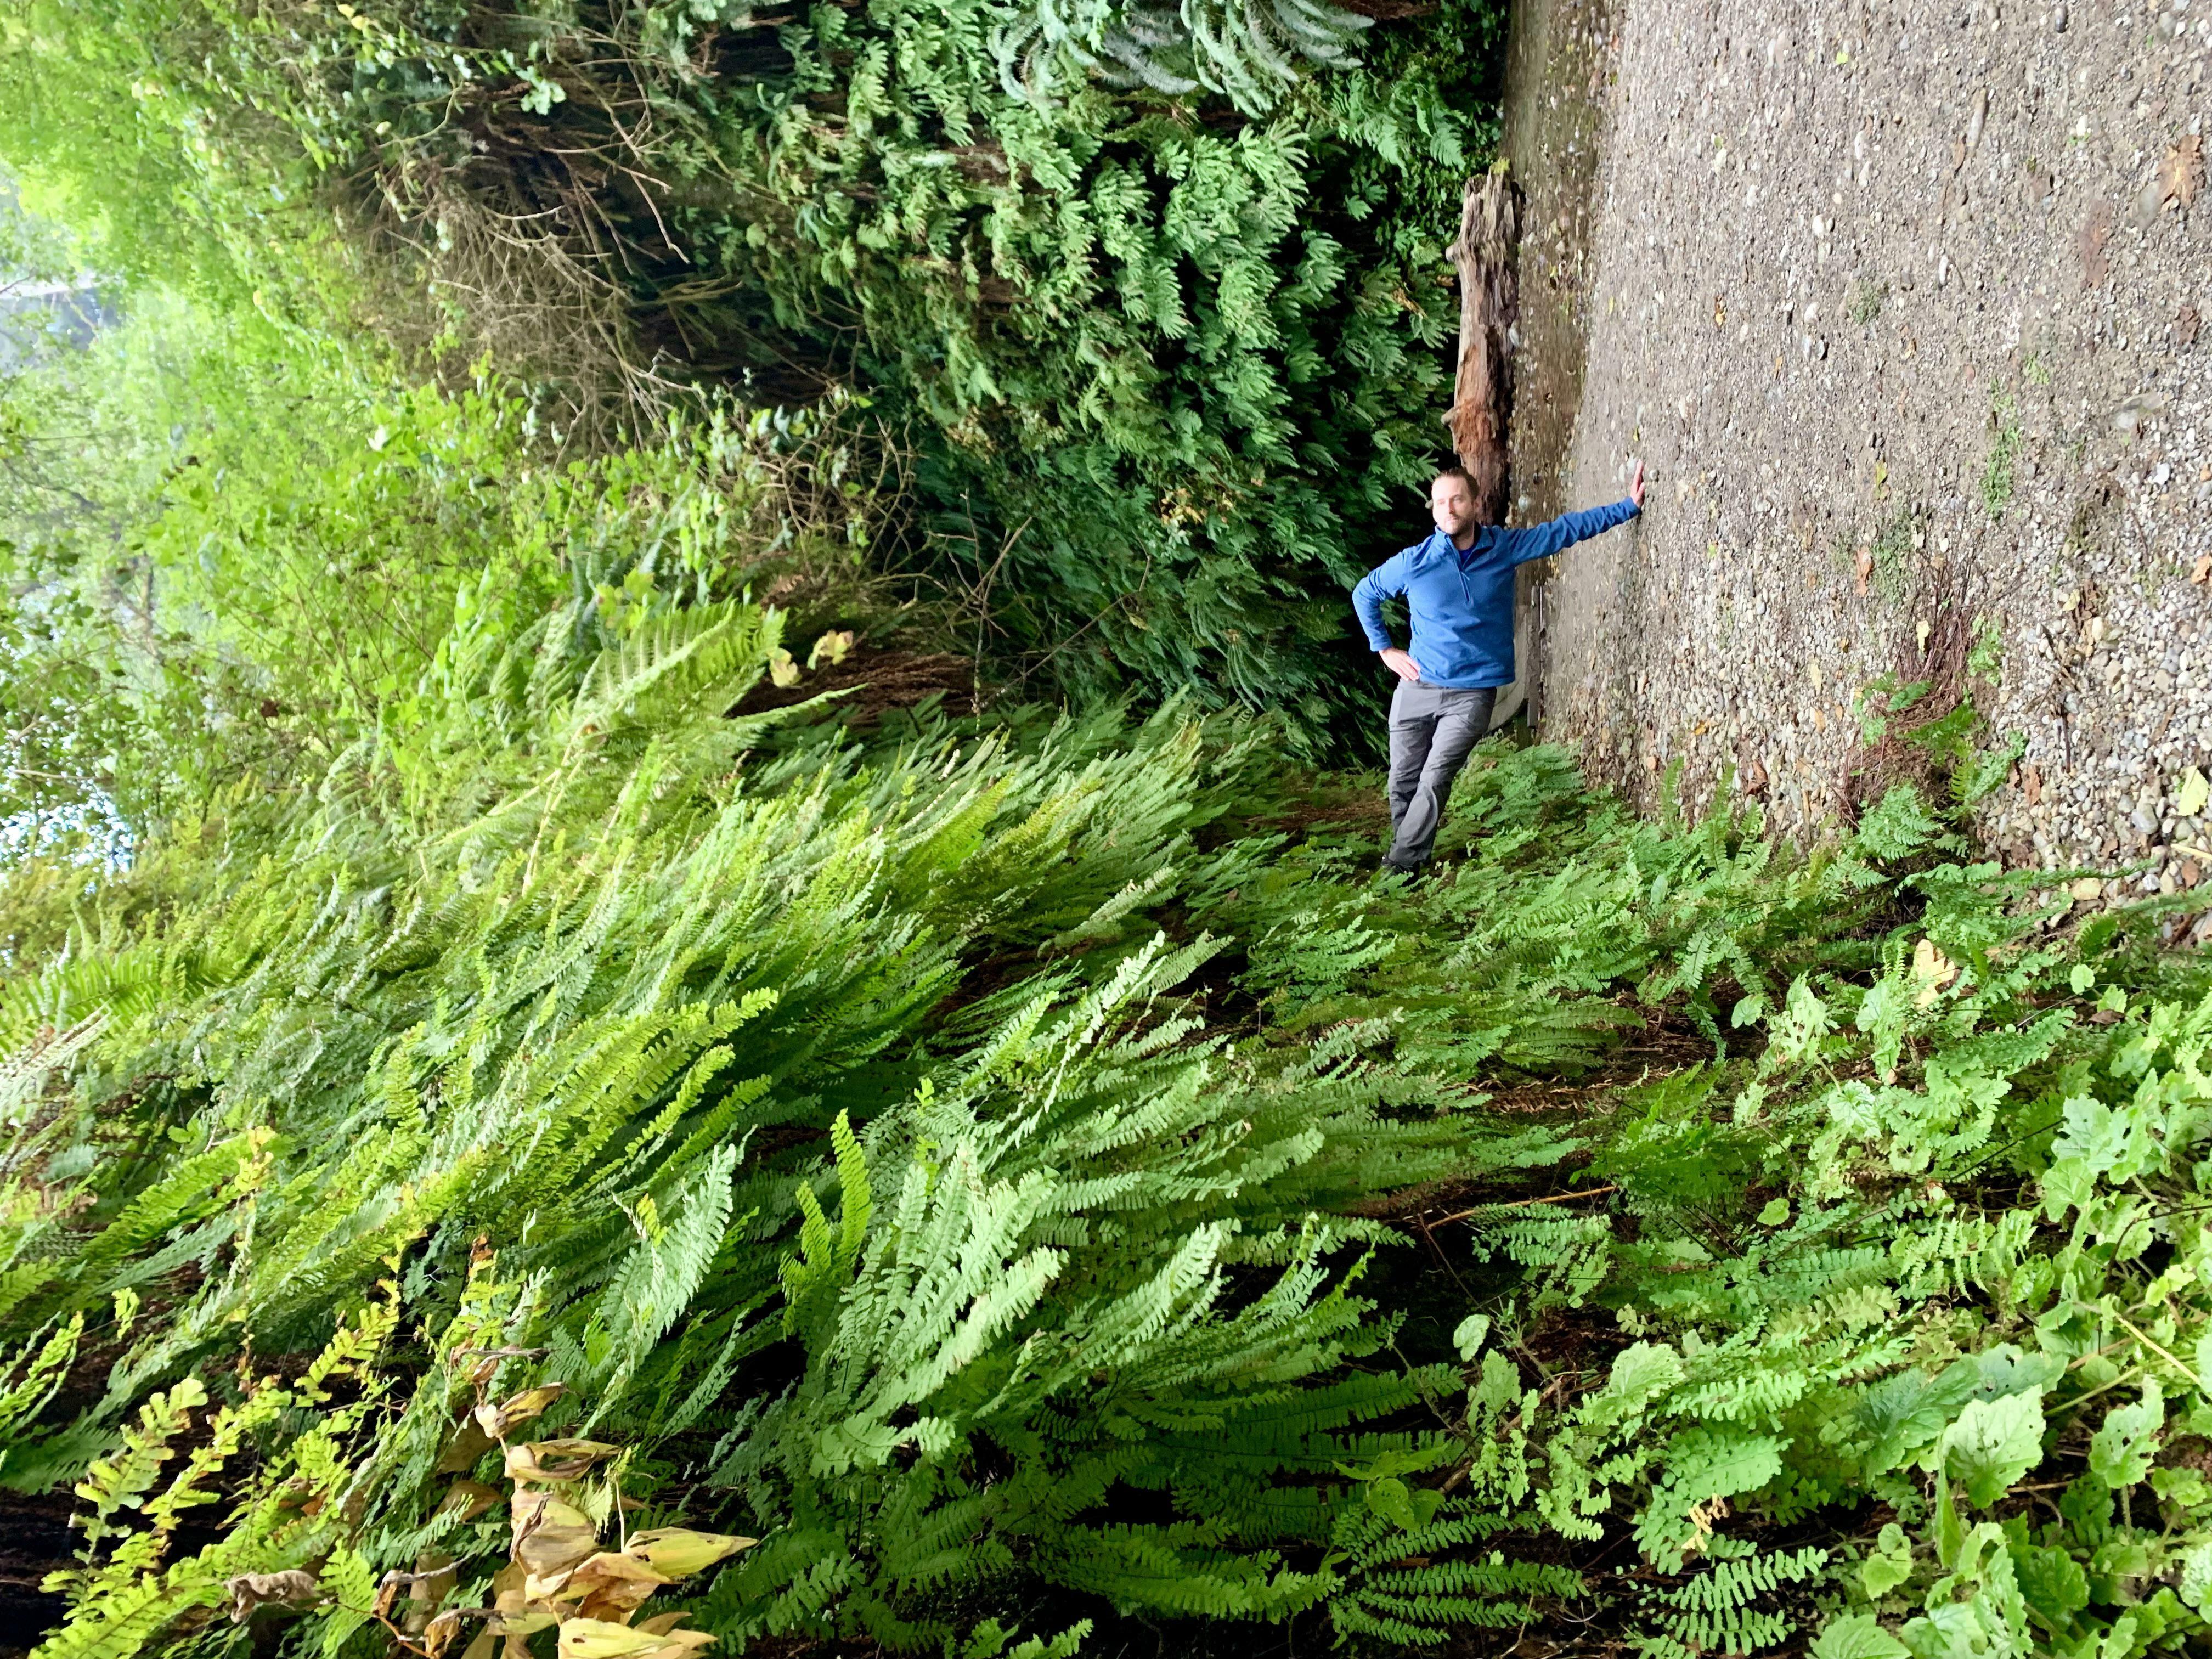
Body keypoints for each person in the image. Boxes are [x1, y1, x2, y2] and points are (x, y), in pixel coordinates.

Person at [1351, 460, 1646, 874]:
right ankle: (1412, 869)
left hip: (1472, 694)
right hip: (1416, 688)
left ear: (1474, 504)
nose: (1448, 508)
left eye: (1456, 499)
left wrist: (1626, 508)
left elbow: (1561, 532)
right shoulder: (1413, 562)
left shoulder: (1502, 548)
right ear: (1433, 510)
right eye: (1439, 502)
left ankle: (1397, 868)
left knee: (1435, 777)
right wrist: (1384, 649)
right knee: (1402, 782)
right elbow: (1364, 593)